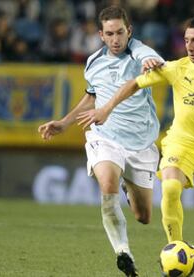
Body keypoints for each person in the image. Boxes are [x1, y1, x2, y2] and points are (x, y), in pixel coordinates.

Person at [78, 14, 194, 277]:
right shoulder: (177, 68)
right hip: (178, 144)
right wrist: (106, 108)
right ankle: (174, 251)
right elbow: (134, 84)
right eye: (186, 41)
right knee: (171, 187)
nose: (189, 46)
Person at [38, 6, 163, 277]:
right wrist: (65, 122)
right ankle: (123, 252)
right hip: (106, 137)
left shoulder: (140, 52)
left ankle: (130, 191)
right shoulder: (93, 61)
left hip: (141, 143)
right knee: (107, 185)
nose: (116, 39)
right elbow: (92, 96)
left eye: (120, 32)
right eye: (110, 34)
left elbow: (152, 61)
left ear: (129, 31)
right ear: (101, 35)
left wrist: (152, 62)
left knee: (143, 217)